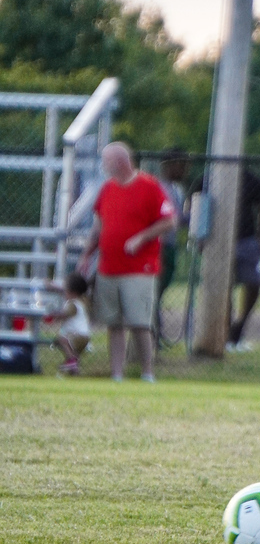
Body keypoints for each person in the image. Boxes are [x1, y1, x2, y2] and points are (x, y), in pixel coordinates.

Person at [79, 142, 176, 382]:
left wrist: (142, 237)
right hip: (109, 267)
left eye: (107, 160)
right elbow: (99, 226)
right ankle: (117, 374)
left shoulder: (149, 186)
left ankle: (147, 372)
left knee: (140, 322)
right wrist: (87, 254)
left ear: (120, 162)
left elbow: (169, 221)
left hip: (139, 269)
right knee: (114, 323)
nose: (104, 165)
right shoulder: (107, 189)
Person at [227, 168, 260, 352]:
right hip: (219, 241)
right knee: (223, 289)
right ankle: (224, 334)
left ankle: (237, 330)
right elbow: (193, 204)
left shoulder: (248, 177)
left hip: (246, 240)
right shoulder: (209, 175)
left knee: (253, 283)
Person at [156, 149, 189, 345]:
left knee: (159, 292)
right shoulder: (160, 187)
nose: (185, 170)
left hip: (170, 245)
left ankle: (156, 333)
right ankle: (154, 334)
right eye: (182, 165)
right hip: (160, 246)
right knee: (155, 291)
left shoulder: (176, 189)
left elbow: (178, 219)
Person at [46, 272, 92, 376]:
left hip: (78, 336)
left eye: (65, 290)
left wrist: (54, 315)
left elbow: (66, 314)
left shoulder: (73, 304)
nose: (63, 292)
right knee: (75, 354)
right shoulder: (81, 302)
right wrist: (51, 286)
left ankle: (71, 360)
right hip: (83, 337)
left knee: (62, 339)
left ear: (73, 292)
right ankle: (74, 371)